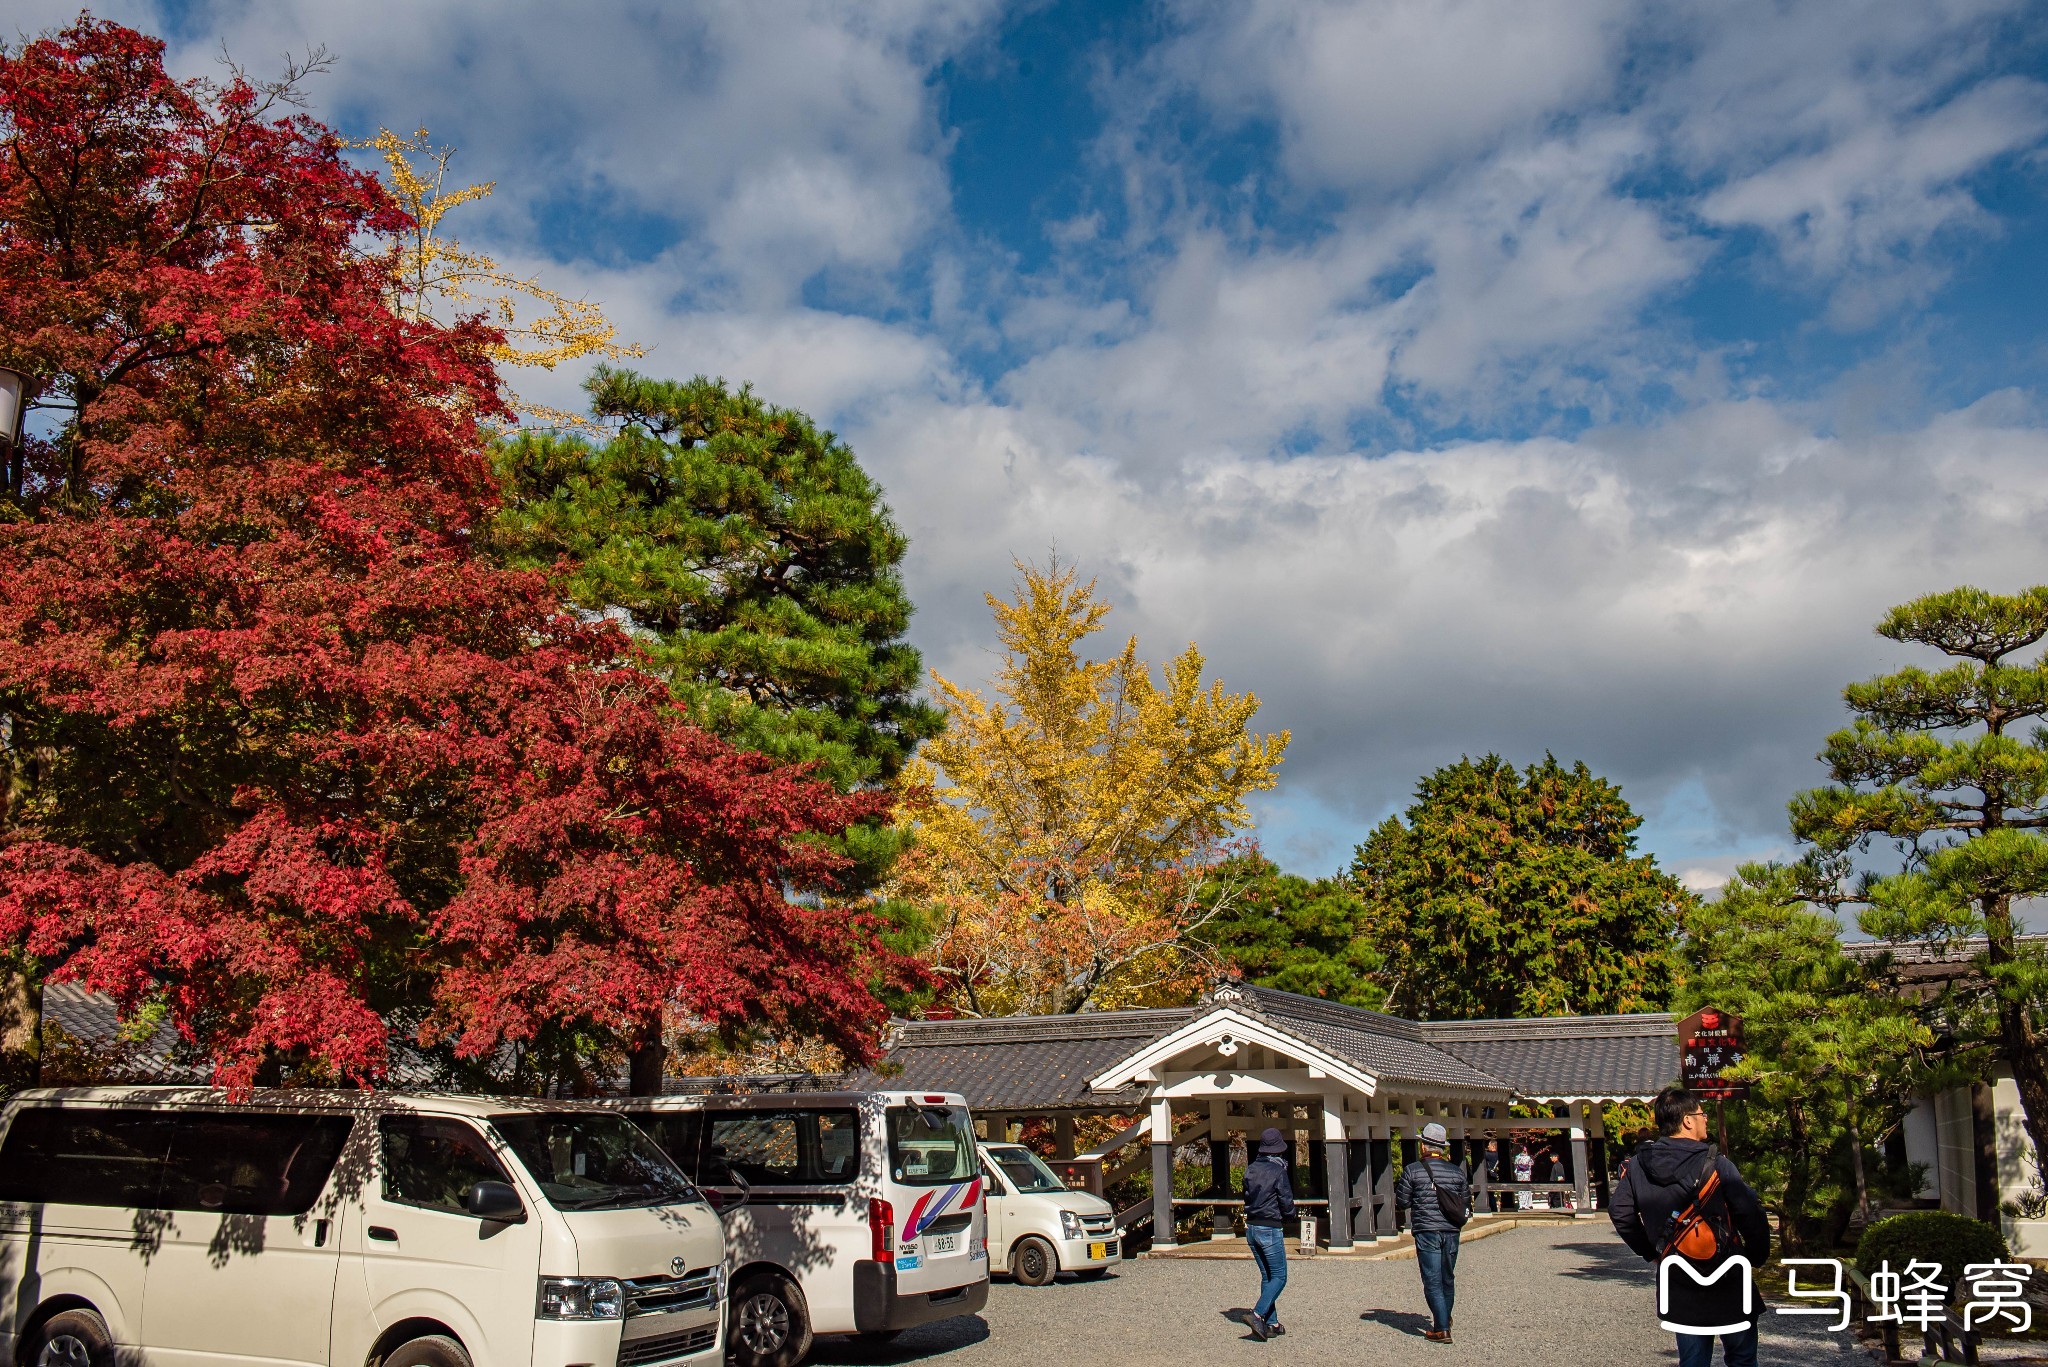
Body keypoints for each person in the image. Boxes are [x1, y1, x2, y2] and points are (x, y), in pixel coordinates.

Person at [1609, 1087, 1771, 1367]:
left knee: (1693, 1360)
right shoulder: (1717, 1164)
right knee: (1742, 1356)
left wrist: (1652, 1252)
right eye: (1701, 1114)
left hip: (1678, 1276)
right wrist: (1756, 1256)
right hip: (1728, 1274)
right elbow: (1750, 1213)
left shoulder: (1637, 1166)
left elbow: (1620, 1212)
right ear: (1687, 1121)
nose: (1705, 1119)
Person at [1394, 1121, 1468, 1344]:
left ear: (1424, 1146)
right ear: (1442, 1148)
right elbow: (1465, 1203)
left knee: (1432, 1279)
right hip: (1451, 1229)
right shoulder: (1456, 1172)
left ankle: (1442, 1328)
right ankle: (1443, 1318)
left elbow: (1402, 1201)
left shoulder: (1412, 1171)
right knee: (1447, 1277)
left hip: (1426, 1229)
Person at [1241, 1126, 1296, 1341]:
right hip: (1270, 1227)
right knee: (1280, 1276)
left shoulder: (1251, 1169)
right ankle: (1257, 1314)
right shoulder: (1278, 1171)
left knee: (1267, 1276)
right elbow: (1285, 1200)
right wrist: (1290, 1216)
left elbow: (1247, 1197)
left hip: (1252, 1227)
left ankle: (1271, 1322)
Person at [1512, 1143, 1535, 1209]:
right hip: (1526, 1174)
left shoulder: (1517, 1157)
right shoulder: (1528, 1157)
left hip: (1520, 1174)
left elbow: (1516, 1164)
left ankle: (1521, 1205)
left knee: (1520, 1189)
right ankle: (1526, 1205)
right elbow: (1531, 1163)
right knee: (1526, 1189)